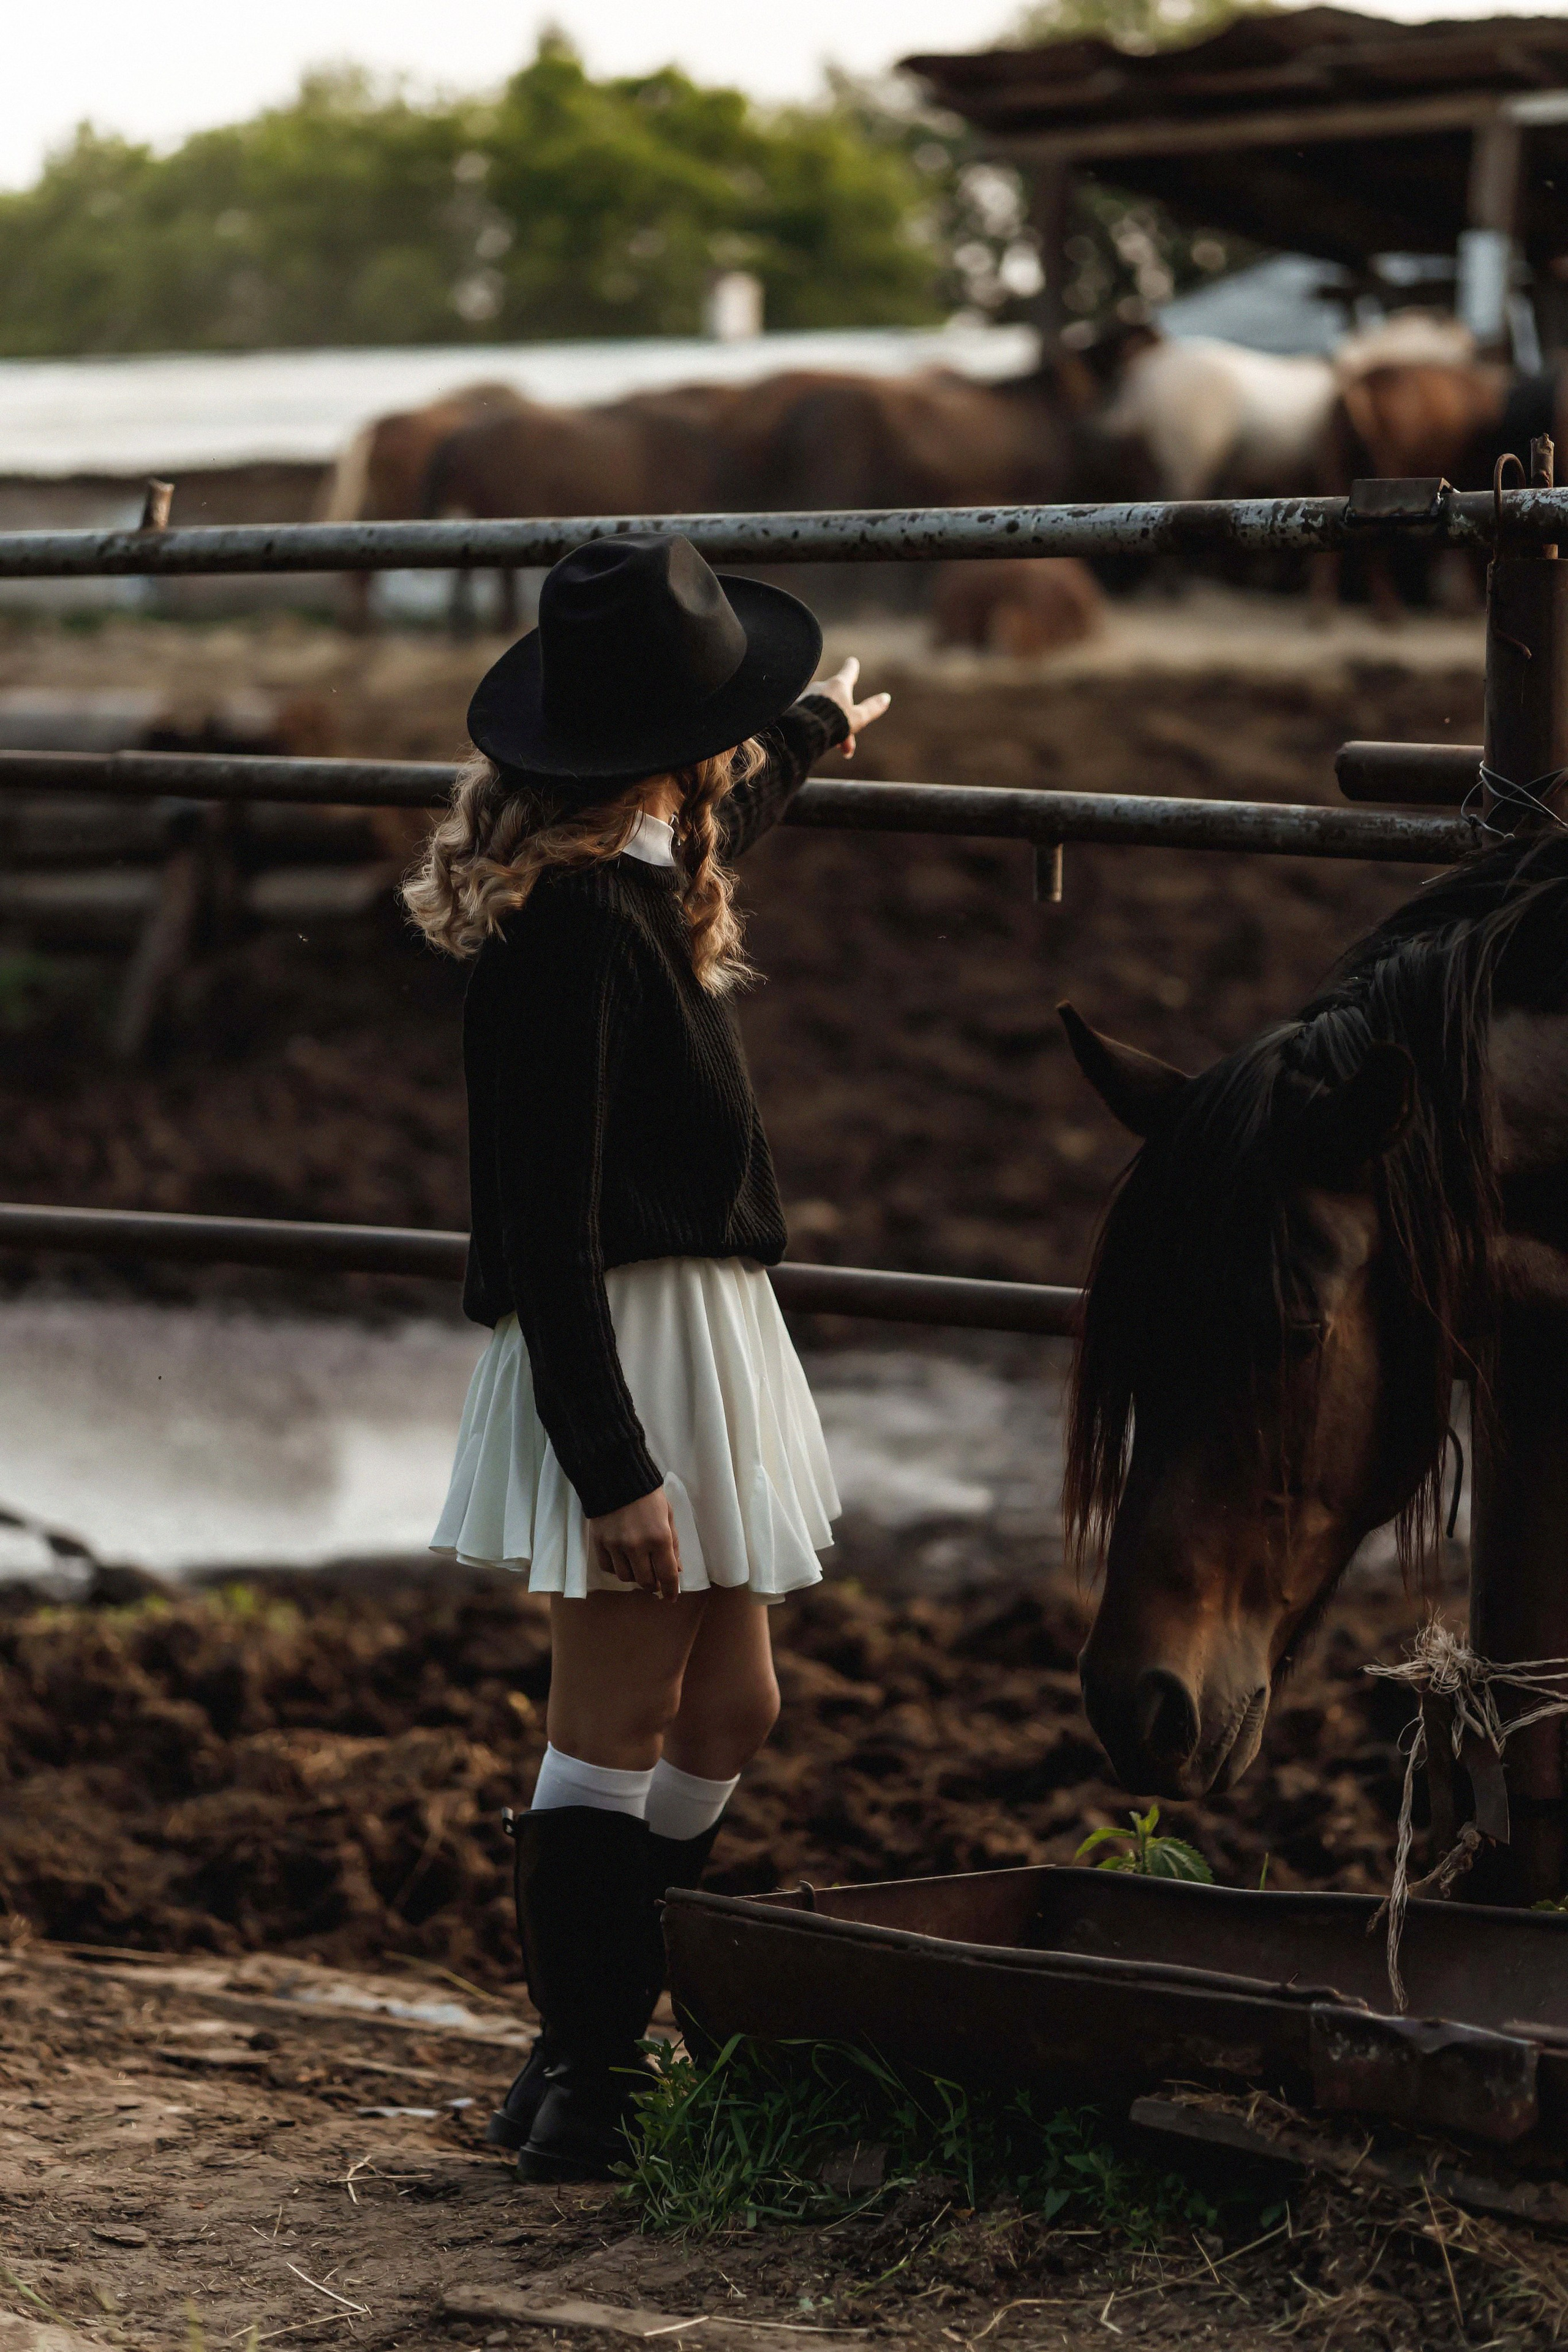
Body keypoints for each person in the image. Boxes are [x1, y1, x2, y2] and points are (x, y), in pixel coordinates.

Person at [404, 533, 889, 2182]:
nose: (739, 755)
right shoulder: (575, 939)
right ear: (675, 751)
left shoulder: (638, 869)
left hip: (702, 1336)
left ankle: (586, 2037)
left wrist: (817, 729)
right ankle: (592, 2079)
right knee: (611, 1719)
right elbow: (545, 1235)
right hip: (627, 1351)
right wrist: (612, 1468)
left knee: (734, 1704)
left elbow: (734, 814)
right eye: (730, 727)